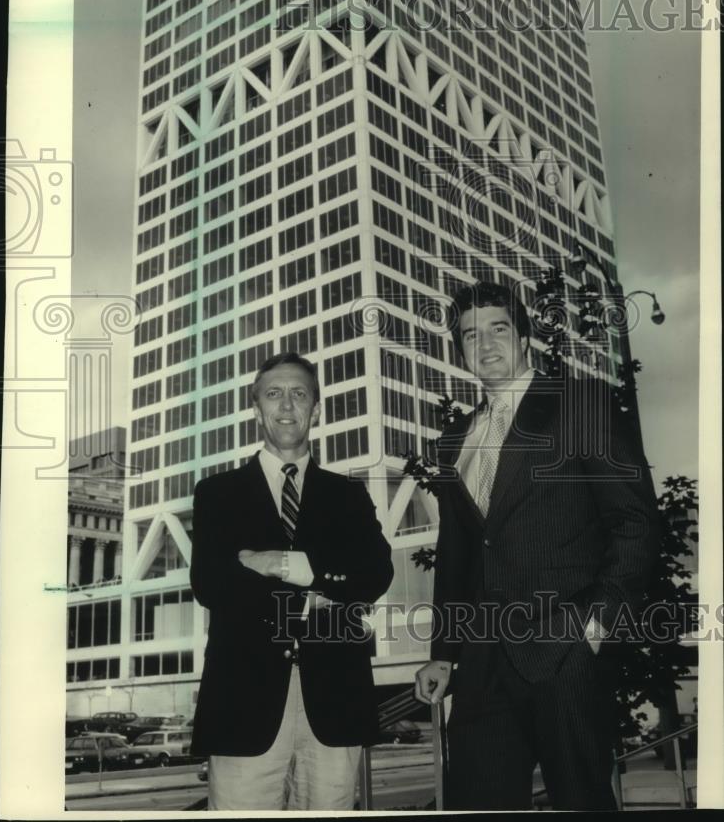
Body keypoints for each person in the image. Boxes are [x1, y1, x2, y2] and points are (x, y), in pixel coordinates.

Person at [415, 281, 660, 810]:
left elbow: (635, 521)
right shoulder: (454, 441)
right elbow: (458, 556)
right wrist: (443, 654)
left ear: (525, 338)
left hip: (564, 653)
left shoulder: (580, 403)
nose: (484, 344)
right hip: (481, 663)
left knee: (581, 804)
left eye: (498, 329)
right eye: (469, 336)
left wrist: (595, 626)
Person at [190, 352, 393, 810]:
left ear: (315, 410)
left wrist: (282, 565)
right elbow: (211, 584)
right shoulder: (216, 494)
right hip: (244, 702)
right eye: (274, 394)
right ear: (257, 408)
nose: (287, 405)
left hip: (336, 700)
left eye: (299, 394)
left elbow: (376, 572)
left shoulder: (348, 494)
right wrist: (324, 594)